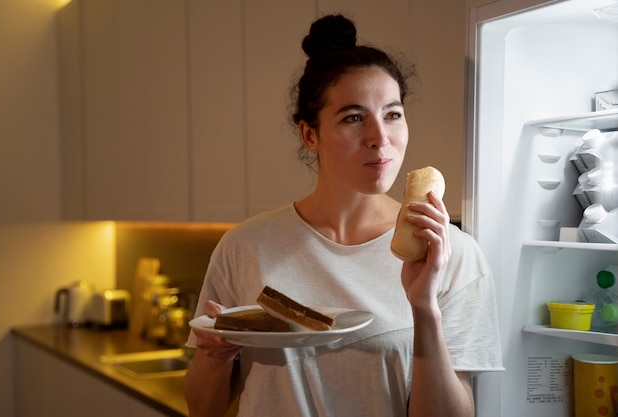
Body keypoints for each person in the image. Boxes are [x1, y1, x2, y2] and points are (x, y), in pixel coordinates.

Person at [184, 14, 502, 417]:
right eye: (353, 118)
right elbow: (201, 407)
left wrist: (424, 310)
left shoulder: (450, 252)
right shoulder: (246, 246)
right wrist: (213, 356)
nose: (379, 138)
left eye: (392, 114)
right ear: (309, 134)